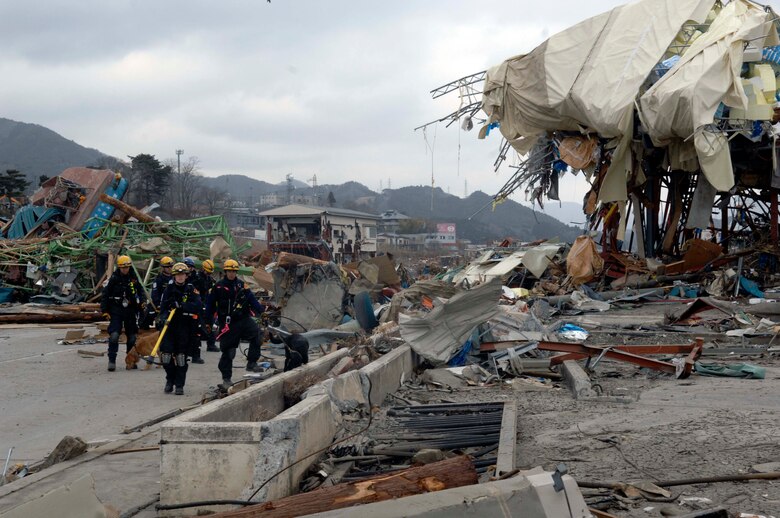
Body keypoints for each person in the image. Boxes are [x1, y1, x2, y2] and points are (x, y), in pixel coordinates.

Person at [204, 259, 274, 388]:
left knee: (257, 335)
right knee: (229, 352)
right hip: (228, 323)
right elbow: (210, 306)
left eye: (234, 271)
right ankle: (226, 378)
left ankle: (251, 363)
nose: (232, 273)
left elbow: (252, 301)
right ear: (225, 271)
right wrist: (207, 322)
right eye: (229, 271)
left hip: (243, 319)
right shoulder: (218, 287)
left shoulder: (242, 286)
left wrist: (262, 312)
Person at [157, 262, 201, 395]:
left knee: (181, 358)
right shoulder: (168, 289)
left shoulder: (191, 289)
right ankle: (170, 379)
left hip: (185, 327)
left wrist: (182, 305)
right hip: (169, 327)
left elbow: (198, 306)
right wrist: (163, 318)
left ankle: (179, 385)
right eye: (178, 275)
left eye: (183, 275)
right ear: (174, 276)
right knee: (166, 357)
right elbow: (163, 308)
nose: (180, 277)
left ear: (186, 276)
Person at [100, 255, 144, 371]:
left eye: (127, 267)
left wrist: (142, 304)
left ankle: (131, 361)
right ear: (119, 267)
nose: (125, 270)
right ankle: (112, 361)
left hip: (130, 310)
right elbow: (105, 295)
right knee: (114, 335)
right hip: (116, 309)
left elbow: (141, 293)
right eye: (123, 268)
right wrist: (104, 311)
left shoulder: (134, 279)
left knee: (132, 338)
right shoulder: (113, 279)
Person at [182, 256, 204, 364]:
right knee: (183, 335)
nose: (187, 268)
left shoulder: (197, 279)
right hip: (182, 311)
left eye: (189, 267)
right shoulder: (178, 278)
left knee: (196, 334)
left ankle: (196, 355)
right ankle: (183, 355)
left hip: (194, 310)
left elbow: (200, 295)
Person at [193, 259, 219, 353]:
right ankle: (196, 346)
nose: (209, 274)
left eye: (210, 273)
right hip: (199, 305)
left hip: (208, 305)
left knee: (212, 325)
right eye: (207, 272)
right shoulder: (197, 279)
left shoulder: (209, 279)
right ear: (203, 269)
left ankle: (211, 344)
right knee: (199, 327)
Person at [143, 256, 175, 328]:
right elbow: (155, 293)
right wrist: (158, 304)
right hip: (160, 304)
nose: (170, 268)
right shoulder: (159, 279)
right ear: (163, 268)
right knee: (148, 314)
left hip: (171, 304)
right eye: (168, 267)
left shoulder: (175, 278)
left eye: (171, 266)